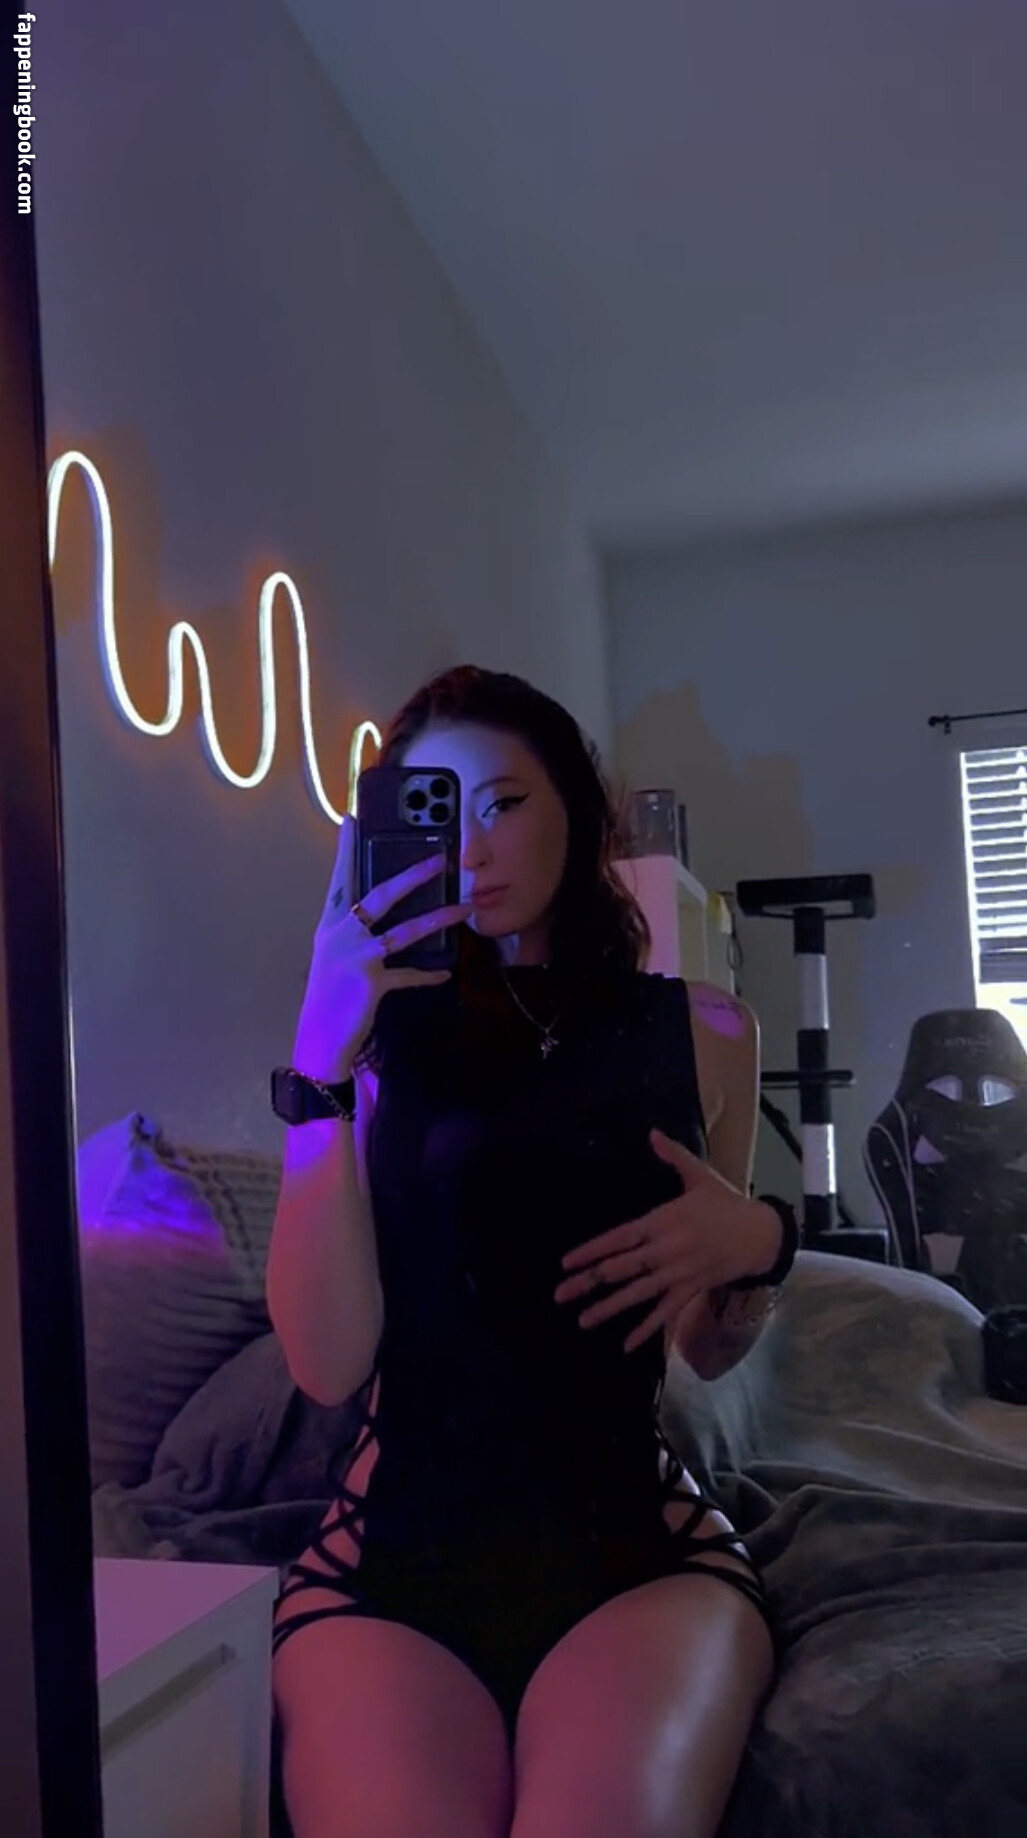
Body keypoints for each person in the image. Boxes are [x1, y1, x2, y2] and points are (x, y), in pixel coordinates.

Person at [267, 665, 794, 1838]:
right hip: (394, 1566)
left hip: (629, 1549)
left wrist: (761, 1240)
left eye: (502, 802)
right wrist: (317, 1059)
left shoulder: (706, 1029)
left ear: (574, 805)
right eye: (436, 815)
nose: (471, 849)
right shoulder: (373, 1041)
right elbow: (326, 1362)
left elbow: (706, 1346)